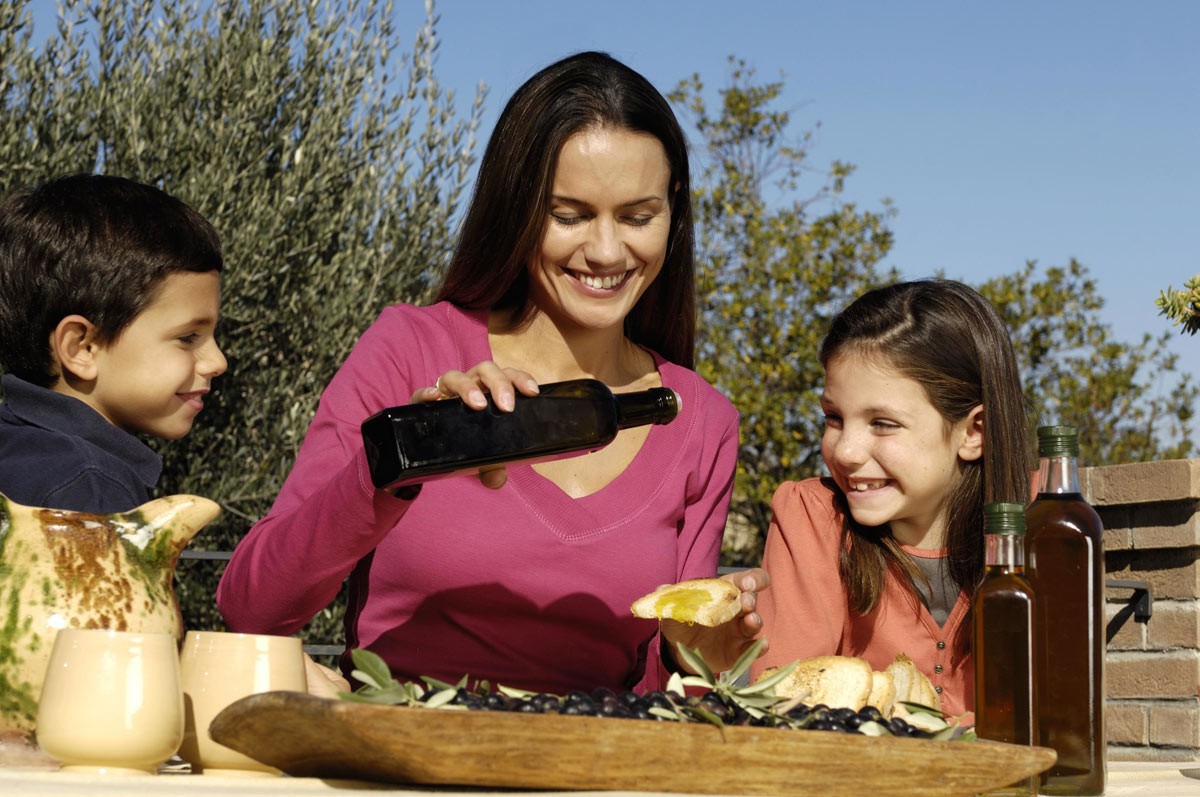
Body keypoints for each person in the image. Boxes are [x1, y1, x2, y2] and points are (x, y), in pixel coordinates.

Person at [217, 51, 766, 694]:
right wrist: (402, 457)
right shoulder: (408, 347)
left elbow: (666, 681)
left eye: (638, 216)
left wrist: (698, 660)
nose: (608, 251)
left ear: (673, 210)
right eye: (569, 215)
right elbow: (251, 608)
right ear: (517, 208)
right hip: (398, 769)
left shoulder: (701, 419)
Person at [749, 279, 1032, 718]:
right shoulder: (813, 517)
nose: (844, 451)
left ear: (974, 432)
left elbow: (1053, 709)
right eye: (833, 417)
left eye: (882, 423)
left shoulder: (1045, 526)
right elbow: (782, 701)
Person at [0, 174, 228, 513]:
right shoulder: (89, 490)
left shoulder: (18, 448)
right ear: (82, 348)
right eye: (187, 338)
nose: (218, 361)